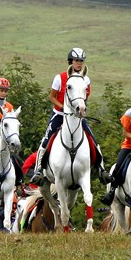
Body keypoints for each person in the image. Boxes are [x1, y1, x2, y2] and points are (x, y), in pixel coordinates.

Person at [29, 48, 104, 185]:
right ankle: (38, 170)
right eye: (76, 61)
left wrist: (81, 107)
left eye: (81, 61)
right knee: (46, 139)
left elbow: (85, 95)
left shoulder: (85, 79)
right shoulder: (60, 78)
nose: (79, 64)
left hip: (76, 116)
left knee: (92, 139)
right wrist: (63, 107)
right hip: (59, 114)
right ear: (70, 61)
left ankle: (101, 169)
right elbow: (51, 97)